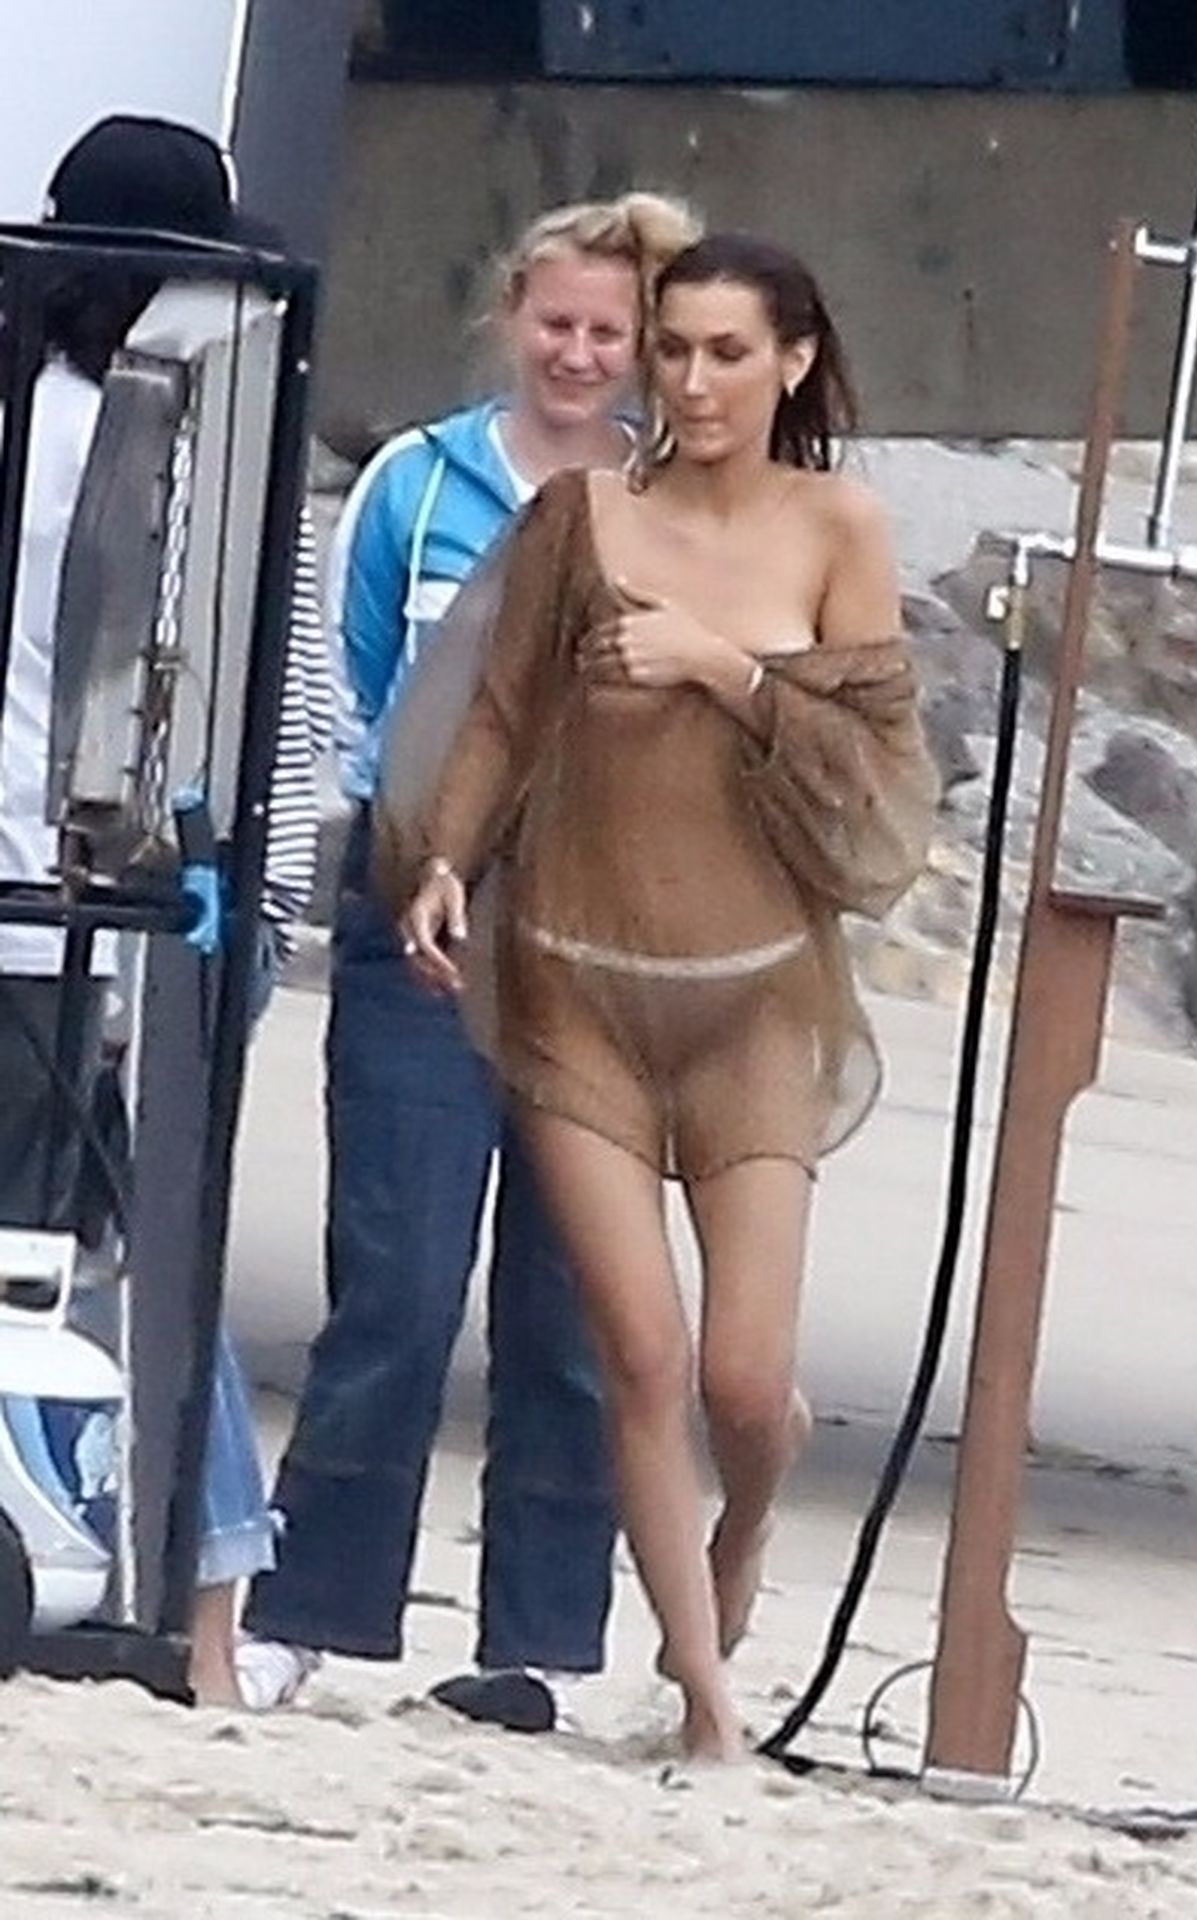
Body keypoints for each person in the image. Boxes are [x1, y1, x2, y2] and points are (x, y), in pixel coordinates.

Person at [392, 232, 939, 1759]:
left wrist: (726, 670)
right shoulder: (580, 516)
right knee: (637, 1355)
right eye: (674, 349)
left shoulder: (837, 528)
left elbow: (879, 783)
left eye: (725, 354)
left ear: (792, 364)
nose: (692, 383)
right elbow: (500, 714)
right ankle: (704, 1699)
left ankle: (746, 1519)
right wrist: (442, 862)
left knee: (744, 1383)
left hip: (754, 1003)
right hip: (575, 986)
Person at [239, 192, 702, 1729]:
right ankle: (312, 1610)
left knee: (567, 1312)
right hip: (423, 921)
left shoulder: (677, 499)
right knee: (395, 1283)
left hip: (609, 943)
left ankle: (540, 1644)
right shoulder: (415, 481)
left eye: (605, 333)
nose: (577, 354)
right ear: (513, 318)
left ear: (642, 347)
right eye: (555, 324)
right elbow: (350, 684)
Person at [0, 114, 330, 1707]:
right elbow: (256, 702)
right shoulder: (172, 446)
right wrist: (249, 895)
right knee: (112, 1250)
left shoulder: (41, 419)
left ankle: (185, 1596)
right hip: (88, 899)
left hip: (59, 887)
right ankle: (203, 1611)